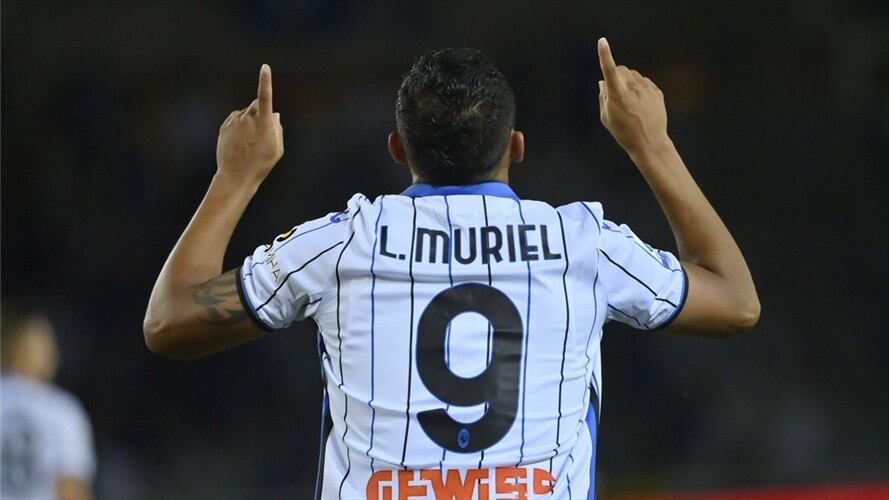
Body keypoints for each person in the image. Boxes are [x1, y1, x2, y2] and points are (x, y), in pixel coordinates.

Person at [144, 38, 759, 499]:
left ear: (396, 149)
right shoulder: (582, 246)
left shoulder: (344, 244)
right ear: (516, 147)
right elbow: (735, 301)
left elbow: (169, 322)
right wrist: (649, 142)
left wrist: (236, 176)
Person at [1, 305, 96, 500]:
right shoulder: (60, 410)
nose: (54, 352)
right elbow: (71, 488)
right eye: (46, 342)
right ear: (25, 349)